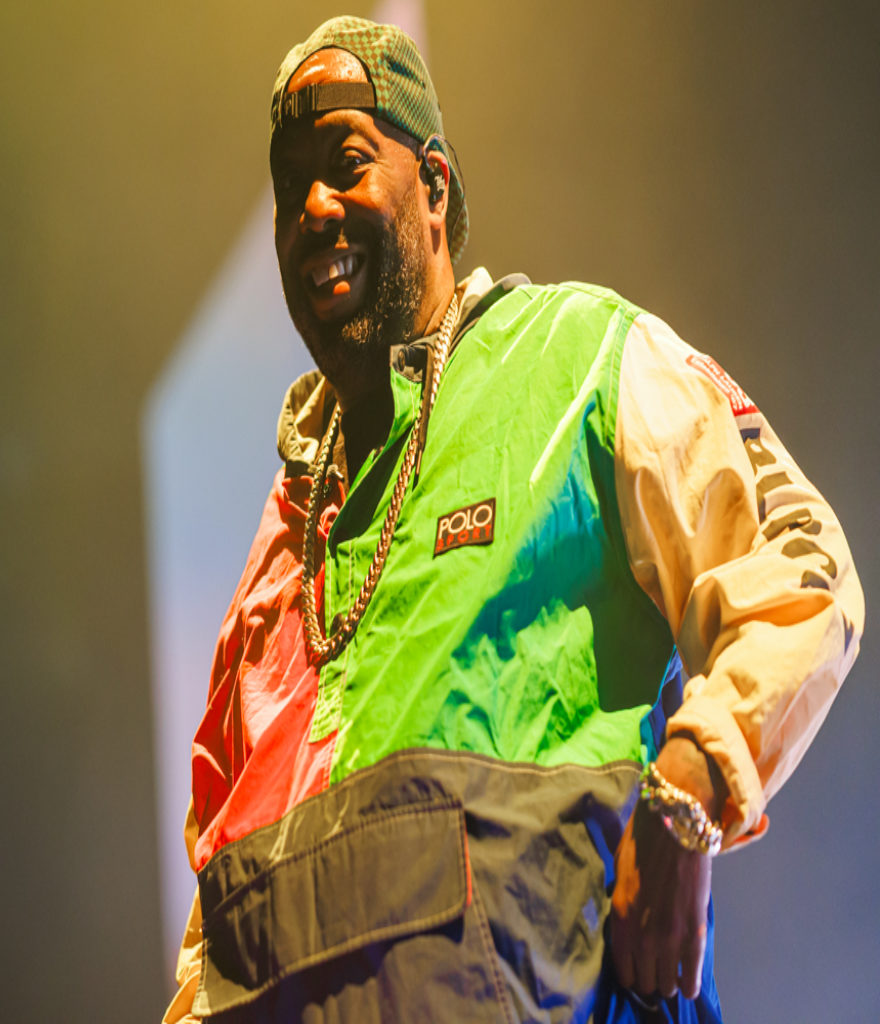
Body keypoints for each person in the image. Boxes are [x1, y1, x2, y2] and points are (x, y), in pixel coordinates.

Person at [162, 16, 863, 1023]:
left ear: (434, 188)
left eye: (346, 164)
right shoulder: (281, 549)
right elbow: (211, 926)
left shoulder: (577, 361)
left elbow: (798, 561)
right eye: (289, 187)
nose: (312, 208)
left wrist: (688, 791)